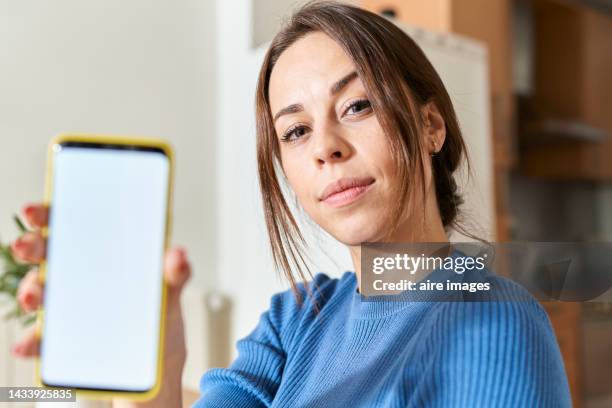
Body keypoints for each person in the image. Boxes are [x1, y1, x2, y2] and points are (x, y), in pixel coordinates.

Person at [11, 1, 571, 407]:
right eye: (296, 131)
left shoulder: (495, 318)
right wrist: (158, 372)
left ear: (429, 125)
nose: (326, 147)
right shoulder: (292, 321)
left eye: (356, 106)